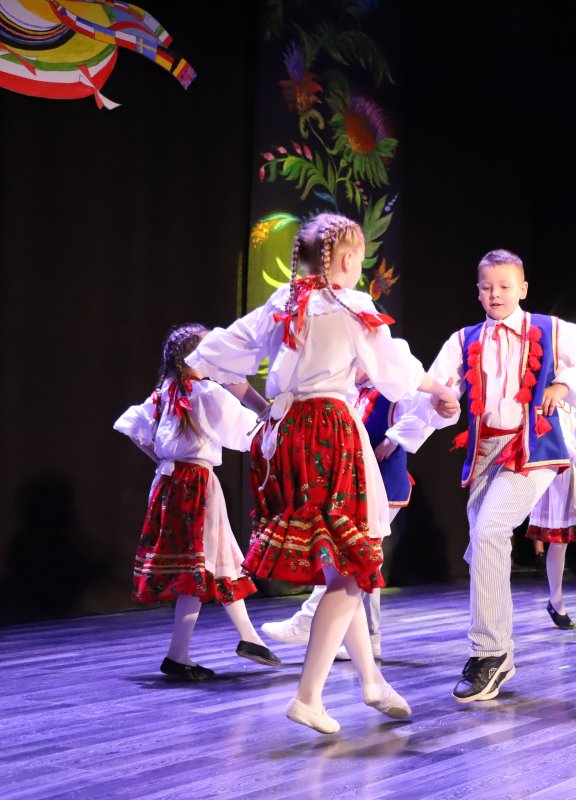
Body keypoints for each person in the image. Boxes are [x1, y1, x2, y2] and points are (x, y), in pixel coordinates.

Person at [187, 213, 459, 733]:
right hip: (329, 433)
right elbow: (392, 371)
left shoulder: (282, 303)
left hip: (285, 435)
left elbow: (212, 355)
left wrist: (264, 404)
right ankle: (308, 696)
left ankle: (372, 681)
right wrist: (441, 390)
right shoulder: (351, 305)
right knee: (354, 564)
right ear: (347, 259)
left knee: (341, 566)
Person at [424, 248, 576, 702]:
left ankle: (489, 652)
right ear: (478, 291)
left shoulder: (549, 329)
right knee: (482, 545)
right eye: (487, 287)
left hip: (534, 448)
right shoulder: (464, 339)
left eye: (505, 286)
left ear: (522, 289)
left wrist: (564, 384)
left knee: (490, 530)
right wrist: (441, 404)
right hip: (486, 450)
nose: (495, 294)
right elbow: (437, 388)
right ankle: (499, 654)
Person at [114, 324, 281, 680]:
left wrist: (162, 460)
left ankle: (248, 638)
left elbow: (133, 428)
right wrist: (276, 419)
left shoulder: (164, 393)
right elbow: (251, 430)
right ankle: (181, 654)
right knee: (201, 565)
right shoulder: (204, 393)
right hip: (195, 484)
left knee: (217, 560)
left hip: (170, 483)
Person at [260, 375, 434, 661]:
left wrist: (394, 439)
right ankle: (367, 639)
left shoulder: (392, 385)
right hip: (356, 485)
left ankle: (310, 621)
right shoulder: (352, 392)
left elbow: (427, 408)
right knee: (360, 559)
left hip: (384, 483)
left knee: (355, 558)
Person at [527, 403, 576, 629]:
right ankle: (556, 600)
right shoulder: (549, 401)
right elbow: (557, 436)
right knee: (558, 539)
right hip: (558, 471)